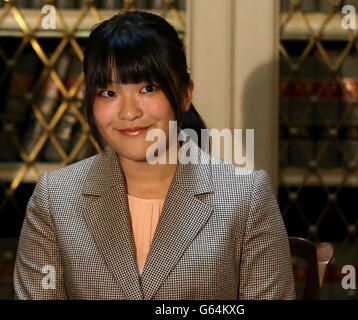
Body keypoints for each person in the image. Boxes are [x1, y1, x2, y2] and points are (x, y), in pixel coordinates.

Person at [13, 10, 295, 300]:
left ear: (185, 94)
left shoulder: (246, 197)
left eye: (148, 88)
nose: (129, 112)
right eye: (108, 92)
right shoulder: (54, 199)